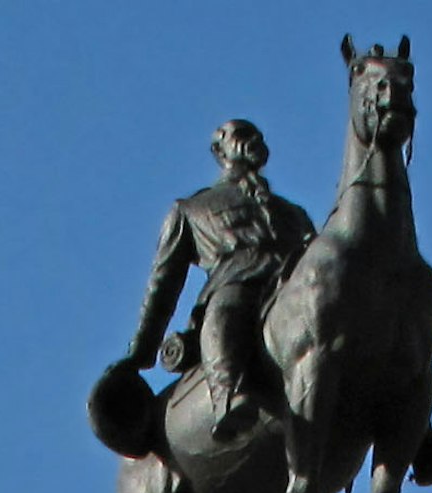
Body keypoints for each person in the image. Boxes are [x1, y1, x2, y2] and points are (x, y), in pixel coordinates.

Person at [129, 119, 314, 427]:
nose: (254, 139)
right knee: (227, 308)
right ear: (219, 149)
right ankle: (228, 395)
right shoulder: (192, 209)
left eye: (258, 135)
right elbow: (163, 284)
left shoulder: (293, 213)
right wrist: (141, 351)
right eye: (242, 133)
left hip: (295, 285)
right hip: (238, 282)